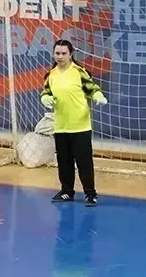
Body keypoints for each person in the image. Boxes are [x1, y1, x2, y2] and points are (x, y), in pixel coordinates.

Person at [40, 39, 107, 206]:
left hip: (80, 127)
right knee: (64, 162)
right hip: (61, 127)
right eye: (57, 53)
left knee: (84, 163)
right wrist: (45, 98)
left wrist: (98, 96)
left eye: (64, 53)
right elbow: (45, 92)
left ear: (70, 54)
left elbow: (92, 88)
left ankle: (90, 193)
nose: (60, 56)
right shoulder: (51, 75)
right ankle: (66, 191)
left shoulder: (79, 72)